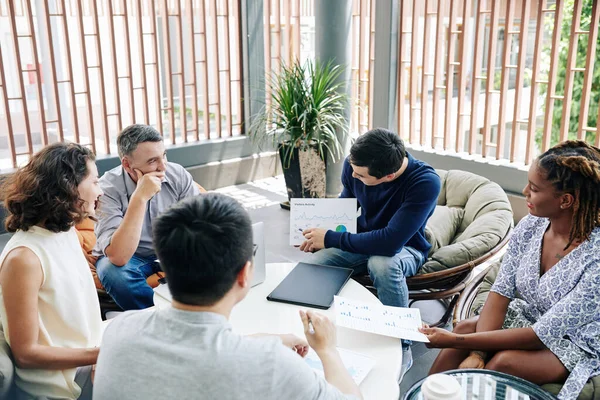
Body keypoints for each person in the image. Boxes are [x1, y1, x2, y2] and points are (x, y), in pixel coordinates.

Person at [93, 193, 363, 400]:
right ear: (245, 274)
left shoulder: (118, 332)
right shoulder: (272, 366)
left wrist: (265, 342)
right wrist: (327, 350)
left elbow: (191, 354)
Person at [422, 140, 600, 400]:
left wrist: (451, 341)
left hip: (575, 341)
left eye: (535, 188)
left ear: (566, 200)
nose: (525, 191)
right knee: (462, 331)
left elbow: (541, 335)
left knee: (502, 364)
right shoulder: (530, 227)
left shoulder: (595, 259)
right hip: (529, 317)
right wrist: (474, 353)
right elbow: (501, 290)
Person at [300, 128, 440, 379]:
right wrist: (315, 233)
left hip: (406, 248)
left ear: (388, 176)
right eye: (352, 168)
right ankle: (323, 332)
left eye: (360, 174)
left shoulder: (425, 182)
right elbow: (346, 207)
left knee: (382, 263)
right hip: (362, 240)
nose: (352, 174)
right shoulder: (355, 165)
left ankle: (401, 343)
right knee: (317, 262)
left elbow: (390, 243)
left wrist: (331, 238)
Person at [0, 143, 104, 399]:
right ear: (68, 188)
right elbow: (26, 354)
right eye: (95, 181)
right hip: (63, 384)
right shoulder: (24, 258)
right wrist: (102, 355)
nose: (100, 191)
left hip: (88, 359)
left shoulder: (66, 231)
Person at [93, 124, 201, 310]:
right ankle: (161, 315)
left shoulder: (177, 174)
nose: (163, 166)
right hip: (132, 258)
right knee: (111, 271)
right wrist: (140, 197)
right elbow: (118, 256)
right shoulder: (107, 189)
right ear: (127, 164)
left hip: (172, 251)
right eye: (152, 161)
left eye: (164, 155)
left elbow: (200, 222)